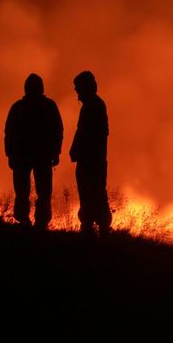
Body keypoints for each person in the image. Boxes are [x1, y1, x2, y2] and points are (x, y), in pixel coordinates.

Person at [4, 73, 63, 230]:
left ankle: (26, 220)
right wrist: (56, 152)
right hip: (40, 156)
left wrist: (10, 154)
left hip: (25, 156)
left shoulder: (18, 107)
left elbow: (9, 132)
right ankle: (39, 222)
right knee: (41, 191)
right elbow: (58, 130)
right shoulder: (49, 106)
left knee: (25, 191)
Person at [70, 70, 112, 236]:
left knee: (93, 192)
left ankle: (95, 227)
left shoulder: (93, 106)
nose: (76, 91)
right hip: (93, 159)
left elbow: (86, 133)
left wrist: (77, 150)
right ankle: (94, 226)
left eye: (78, 88)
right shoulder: (94, 105)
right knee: (92, 192)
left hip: (91, 160)